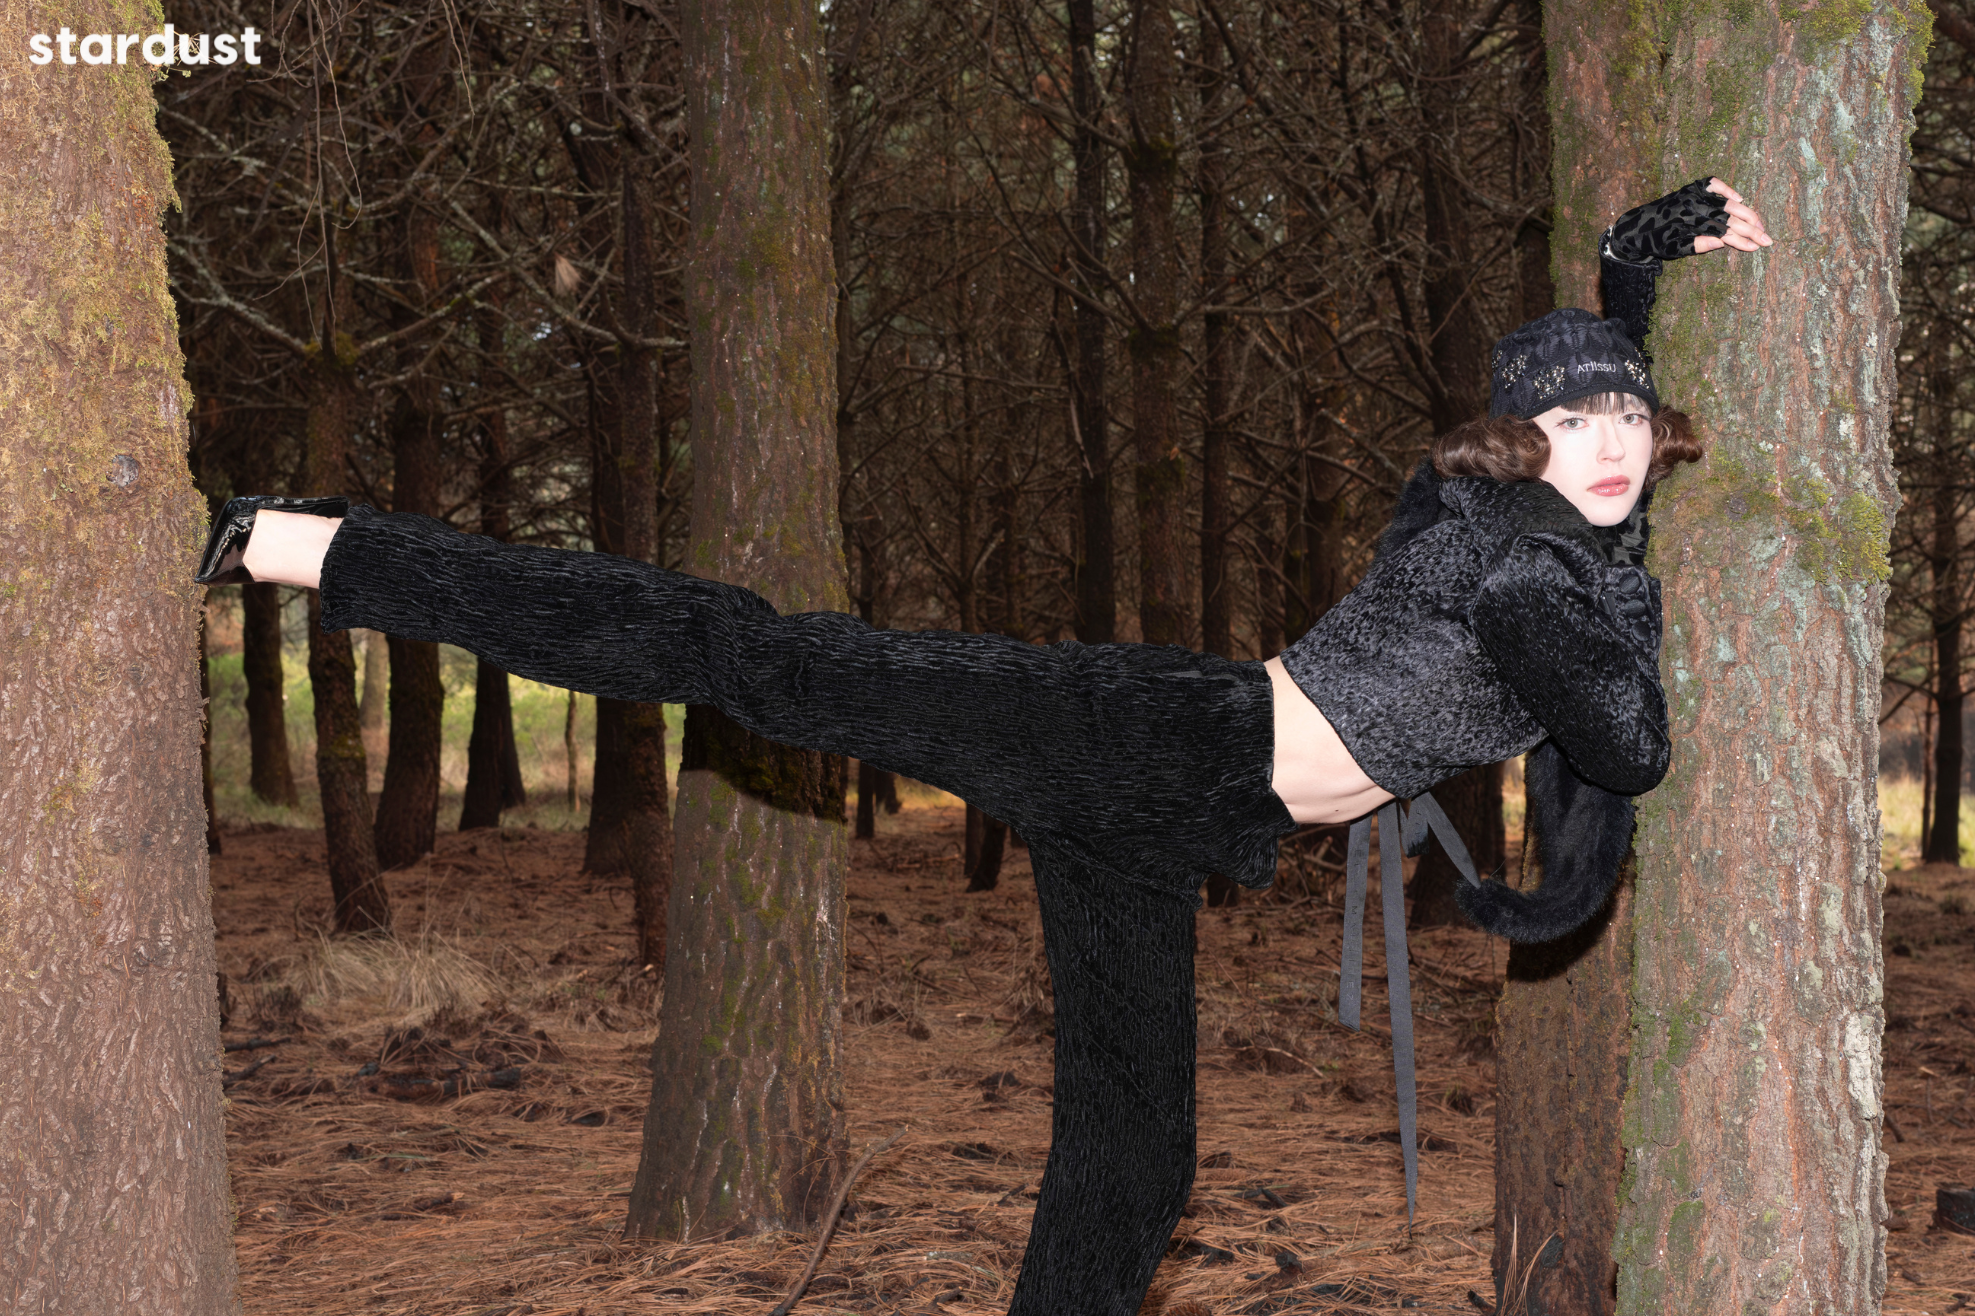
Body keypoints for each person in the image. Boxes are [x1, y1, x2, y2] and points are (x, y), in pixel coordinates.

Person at [196, 178, 1770, 1316]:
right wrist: (1628, 595)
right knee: (747, 653)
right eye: (1574, 427)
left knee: (1136, 1166)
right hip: (1138, 733)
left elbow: (1602, 508)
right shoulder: (1520, 567)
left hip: (1165, 816)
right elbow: (1628, 750)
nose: (1612, 447)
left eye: (1630, 419)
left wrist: (1638, 260)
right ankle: (309, 545)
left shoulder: (1523, 525)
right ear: (1516, 445)